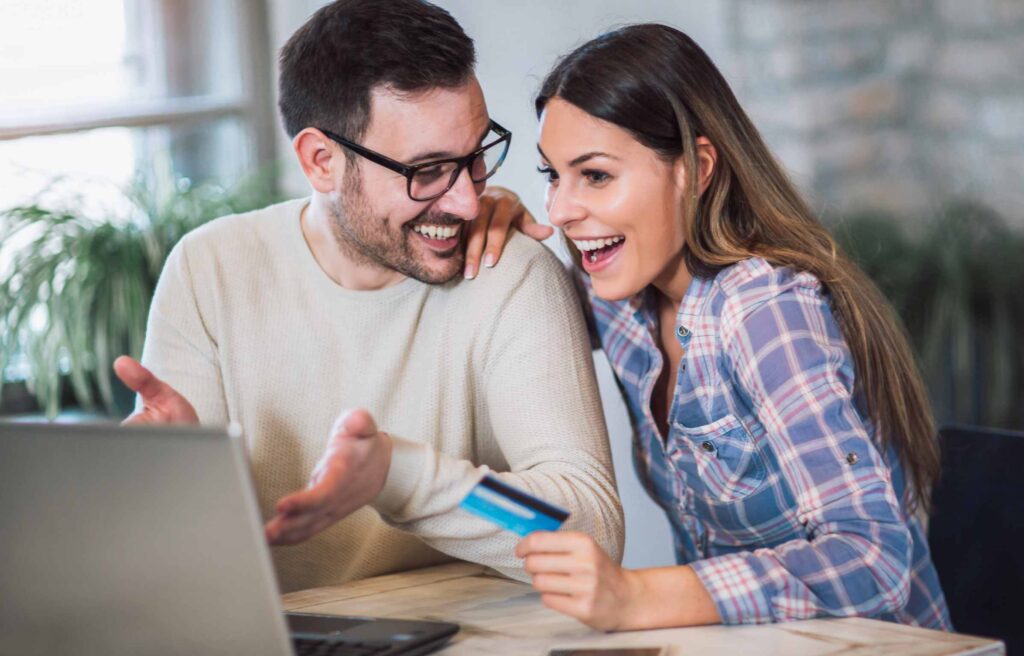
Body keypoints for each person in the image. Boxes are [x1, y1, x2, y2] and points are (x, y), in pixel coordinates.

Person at [112, 0, 622, 594]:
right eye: (427, 170)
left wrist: (402, 479)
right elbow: (182, 575)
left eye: (476, 155)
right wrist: (162, 489)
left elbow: (589, 530)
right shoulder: (211, 270)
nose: (464, 201)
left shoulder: (509, 275)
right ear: (321, 161)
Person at [510, 24, 951, 631]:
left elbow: (872, 558)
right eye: (553, 175)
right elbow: (522, 316)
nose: (559, 209)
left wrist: (639, 597)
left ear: (696, 167)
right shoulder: (617, 291)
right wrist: (495, 225)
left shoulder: (764, 310)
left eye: (596, 176)